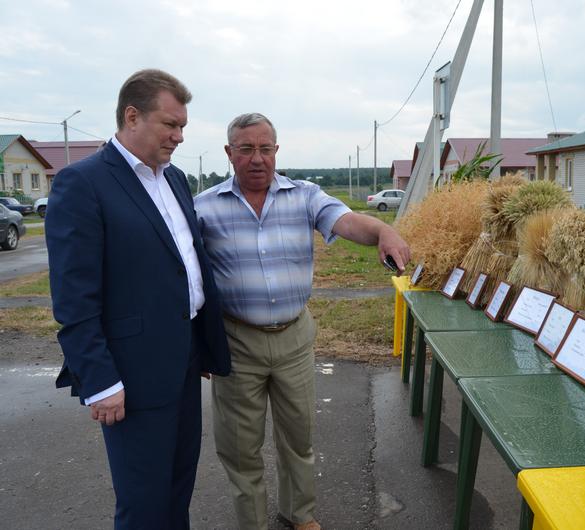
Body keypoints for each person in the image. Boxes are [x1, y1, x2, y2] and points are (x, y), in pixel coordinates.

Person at [195, 113, 410, 530]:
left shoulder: (305, 195)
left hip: (293, 338)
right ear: (229, 153)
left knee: (298, 437)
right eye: (246, 149)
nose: (257, 158)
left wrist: (382, 230)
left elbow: (347, 222)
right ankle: (252, 522)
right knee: (241, 447)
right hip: (236, 341)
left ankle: (299, 514)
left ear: (277, 151)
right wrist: (196, 343)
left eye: (265, 148)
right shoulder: (203, 208)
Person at [46, 69, 231, 529]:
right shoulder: (83, 183)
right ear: (132, 116)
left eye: (183, 126)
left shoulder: (174, 180)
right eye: (171, 124)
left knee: (177, 489)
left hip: (185, 359)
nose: (179, 136)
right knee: (143, 503)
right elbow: (74, 298)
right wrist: (100, 382)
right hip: (130, 373)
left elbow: (185, 261)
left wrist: (202, 342)